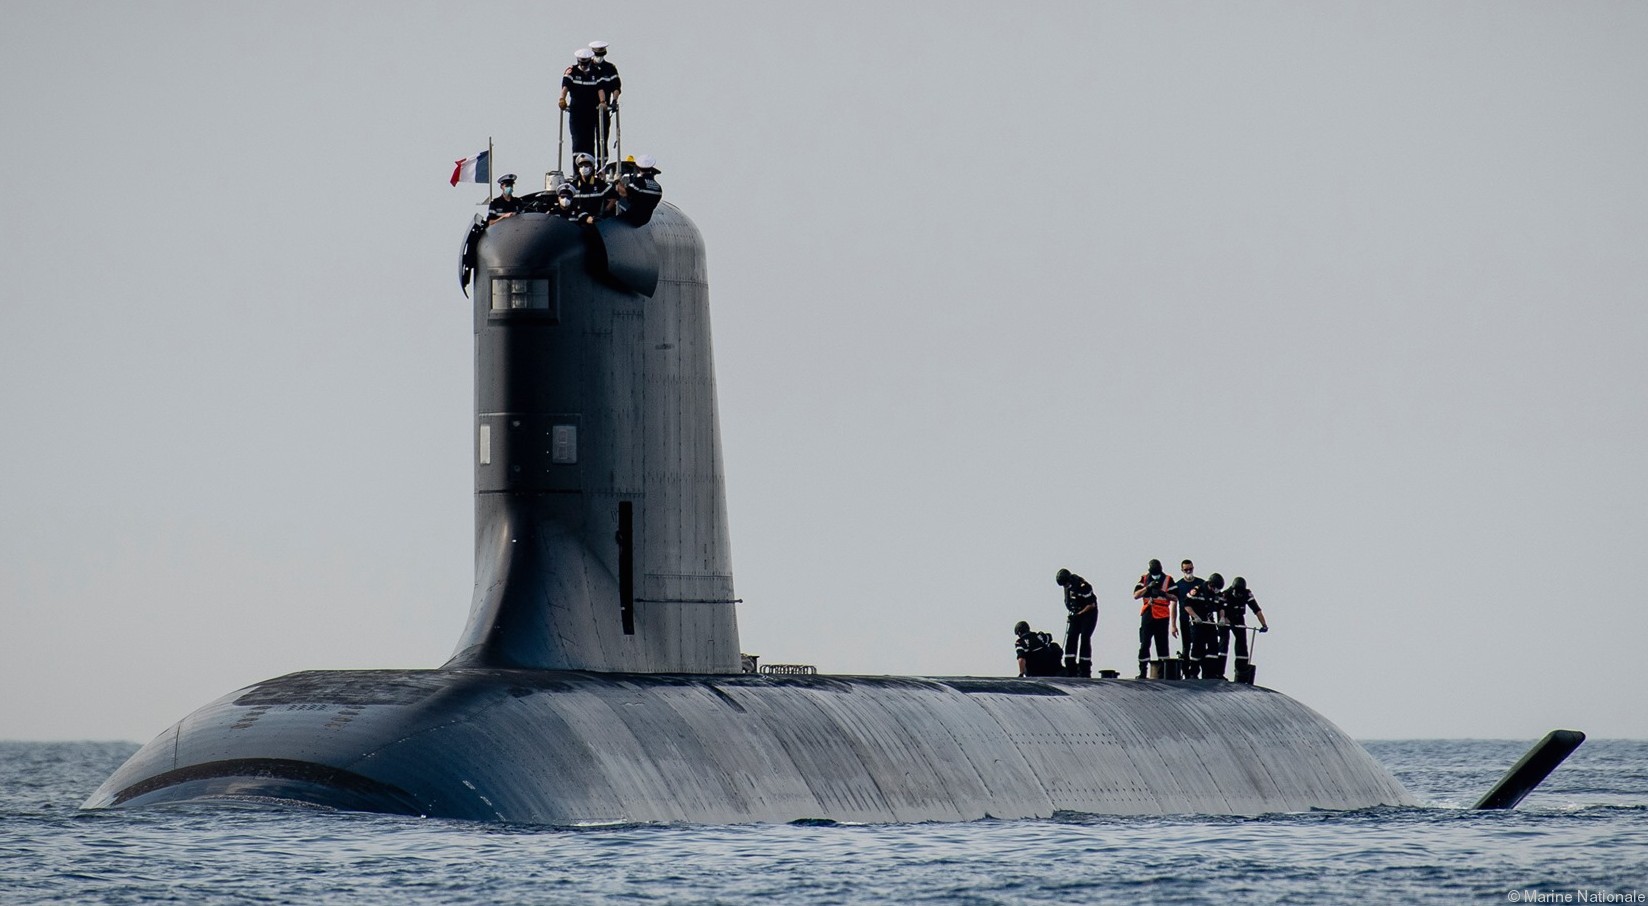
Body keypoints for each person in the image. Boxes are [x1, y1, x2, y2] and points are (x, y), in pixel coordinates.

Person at [558, 48, 607, 159]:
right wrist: (562, 99)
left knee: (589, 139)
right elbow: (565, 86)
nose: (584, 65)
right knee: (577, 139)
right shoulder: (572, 71)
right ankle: (577, 169)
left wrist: (603, 102)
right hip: (576, 110)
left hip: (591, 110)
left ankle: (590, 166)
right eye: (581, 63)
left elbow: (600, 89)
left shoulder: (596, 72)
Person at [1133, 559, 1176, 678]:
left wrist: (1163, 594)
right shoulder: (1145, 579)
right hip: (1148, 613)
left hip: (1162, 615)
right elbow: (1136, 595)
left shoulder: (1168, 579)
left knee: (1162, 644)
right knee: (1145, 643)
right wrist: (1147, 588)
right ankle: (1142, 671)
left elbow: (1176, 597)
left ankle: (1163, 672)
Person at [1221, 576, 1269, 680]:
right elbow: (1221, 609)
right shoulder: (1226, 594)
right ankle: (1219, 672)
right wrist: (1223, 619)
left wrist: (1264, 624)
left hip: (1238, 618)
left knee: (1242, 643)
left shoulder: (1246, 594)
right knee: (1224, 642)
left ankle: (1241, 670)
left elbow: (1256, 609)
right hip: (1226, 619)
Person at [1054, 568, 1098, 677]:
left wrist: (1079, 614)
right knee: (1071, 637)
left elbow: (1091, 605)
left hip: (1089, 614)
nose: (1065, 587)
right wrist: (1074, 614)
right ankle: (1070, 667)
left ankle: (1085, 668)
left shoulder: (1083, 586)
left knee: (1085, 638)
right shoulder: (1067, 587)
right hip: (1077, 613)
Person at [1172, 559, 1206, 678]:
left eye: (1190, 569)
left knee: (1199, 645)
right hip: (1185, 619)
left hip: (1199, 620)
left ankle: (1197, 672)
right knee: (1186, 646)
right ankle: (1187, 673)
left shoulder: (1201, 583)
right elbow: (1174, 605)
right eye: (1186, 570)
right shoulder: (1178, 585)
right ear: (1182, 570)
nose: (1188, 571)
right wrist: (1173, 625)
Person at [589, 41, 621, 160]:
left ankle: (602, 162)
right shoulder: (588, 68)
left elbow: (616, 87)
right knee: (588, 137)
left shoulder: (610, 68)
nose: (599, 58)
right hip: (589, 107)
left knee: (603, 137)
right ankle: (589, 163)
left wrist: (614, 100)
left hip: (604, 108)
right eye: (597, 55)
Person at [614, 153, 664, 226]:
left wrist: (617, 181)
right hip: (645, 219)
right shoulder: (658, 187)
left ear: (638, 167)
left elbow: (623, 193)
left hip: (633, 217)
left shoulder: (639, 182)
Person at [1196, 573, 1228, 678]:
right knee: (1199, 647)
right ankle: (1195, 672)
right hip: (1199, 622)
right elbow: (1187, 605)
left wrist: (1222, 617)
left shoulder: (1217, 594)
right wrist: (1195, 617)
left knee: (1213, 645)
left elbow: (1221, 606)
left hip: (1210, 622)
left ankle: (1210, 672)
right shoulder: (1199, 590)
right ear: (1211, 584)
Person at [568, 152, 611, 223]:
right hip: (576, 222)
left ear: (591, 168)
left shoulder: (599, 183)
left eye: (586, 166)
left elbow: (614, 196)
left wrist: (605, 212)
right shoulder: (574, 185)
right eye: (581, 166)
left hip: (595, 222)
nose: (583, 168)